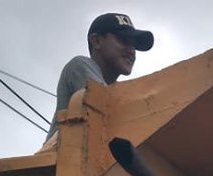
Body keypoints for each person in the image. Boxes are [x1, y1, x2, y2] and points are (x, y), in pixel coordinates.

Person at [40, 13, 155, 148]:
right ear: (96, 41)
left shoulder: (116, 92)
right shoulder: (79, 65)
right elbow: (111, 109)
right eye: (123, 40)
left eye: (134, 45)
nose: (132, 51)